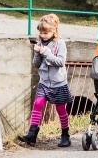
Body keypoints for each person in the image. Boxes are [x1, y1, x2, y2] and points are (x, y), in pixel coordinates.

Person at [17, 14, 73, 148]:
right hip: (44, 82)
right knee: (37, 104)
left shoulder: (60, 43)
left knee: (60, 109)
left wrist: (46, 53)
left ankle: (65, 135)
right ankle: (32, 134)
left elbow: (60, 62)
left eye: (46, 33)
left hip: (58, 83)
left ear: (54, 30)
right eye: (41, 33)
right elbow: (36, 64)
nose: (43, 35)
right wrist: (37, 53)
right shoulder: (40, 43)